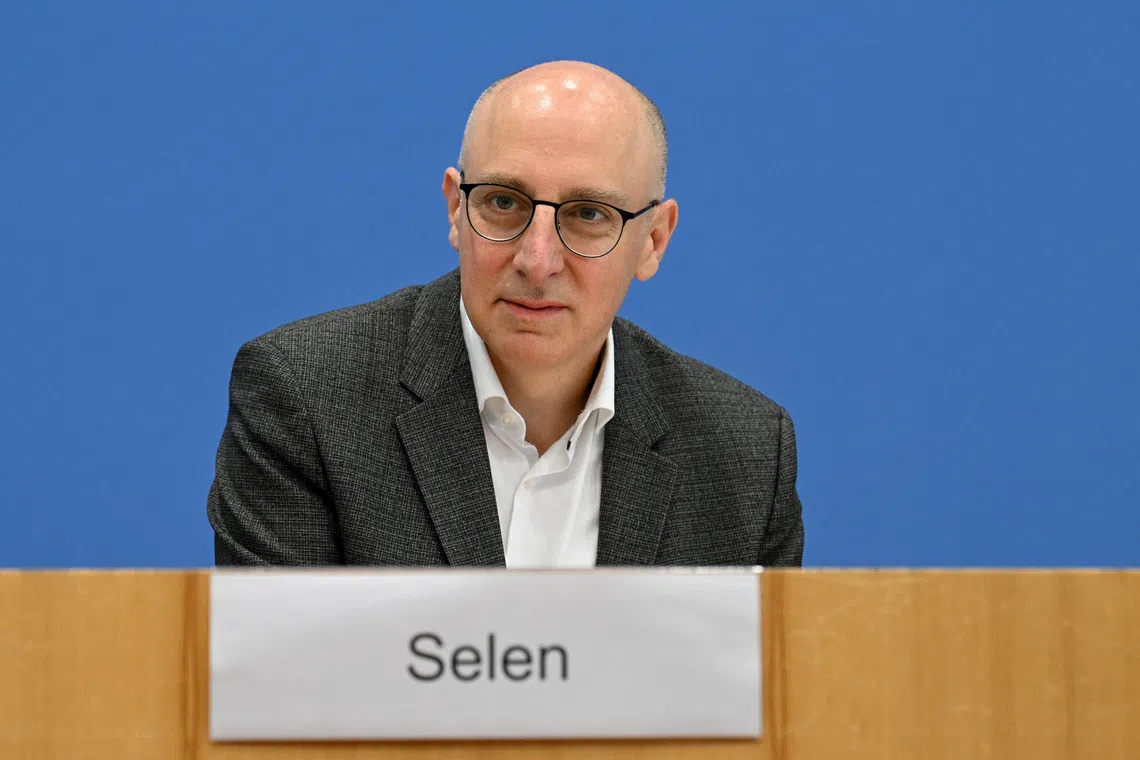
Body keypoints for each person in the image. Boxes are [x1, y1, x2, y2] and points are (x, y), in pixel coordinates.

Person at [206, 60, 804, 567]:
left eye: (589, 214)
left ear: (654, 240)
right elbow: (280, 689)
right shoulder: (306, 397)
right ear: (454, 210)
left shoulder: (744, 454)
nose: (537, 260)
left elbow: (765, 699)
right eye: (502, 202)